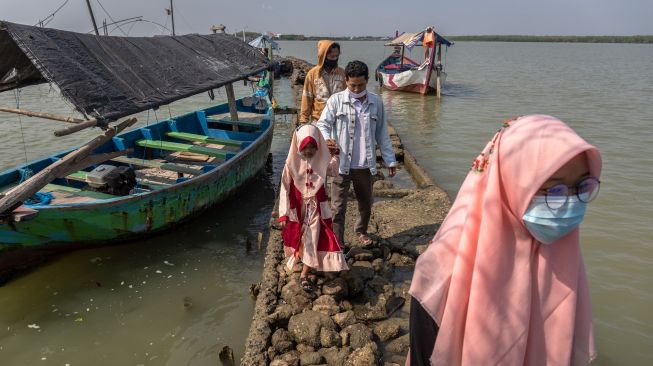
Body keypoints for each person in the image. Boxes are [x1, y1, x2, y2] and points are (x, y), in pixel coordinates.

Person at [407, 115, 602, 365]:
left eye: (583, 187)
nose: (570, 204)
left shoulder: (563, 254)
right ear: (511, 181)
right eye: (554, 191)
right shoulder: (440, 273)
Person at [317, 60, 398, 247]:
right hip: (340, 164)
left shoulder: (376, 102)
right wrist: (328, 139)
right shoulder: (336, 101)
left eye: (361, 85)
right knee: (337, 207)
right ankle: (338, 242)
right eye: (352, 85)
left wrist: (390, 161)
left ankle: (361, 231)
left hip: (365, 164)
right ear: (346, 80)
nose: (356, 89)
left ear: (367, 81)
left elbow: (382, 133)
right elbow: (323, 124)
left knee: (366, 204)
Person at [278, 124, 348, 292]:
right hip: (298, 205)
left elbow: (333, 171)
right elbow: (284, 187)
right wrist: (283, 213)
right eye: (305, 147)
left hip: (316, 206)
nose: (309, 151)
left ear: (318, 145)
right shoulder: (291, 163)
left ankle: (304, 273)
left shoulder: (322, 161)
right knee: (301, 236)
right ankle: (312, 263)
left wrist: (335, 155)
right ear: (298, 146)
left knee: (312, 234)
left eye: (312, 147)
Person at [299, 40, 346, 124]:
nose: (334, 59)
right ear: (323, 56)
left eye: (336, 56)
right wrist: (303, 120)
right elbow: (307, 97)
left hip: (340, 120)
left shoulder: (343, 73)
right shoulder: (312, 74)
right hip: (318, 121)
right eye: (331, 57)